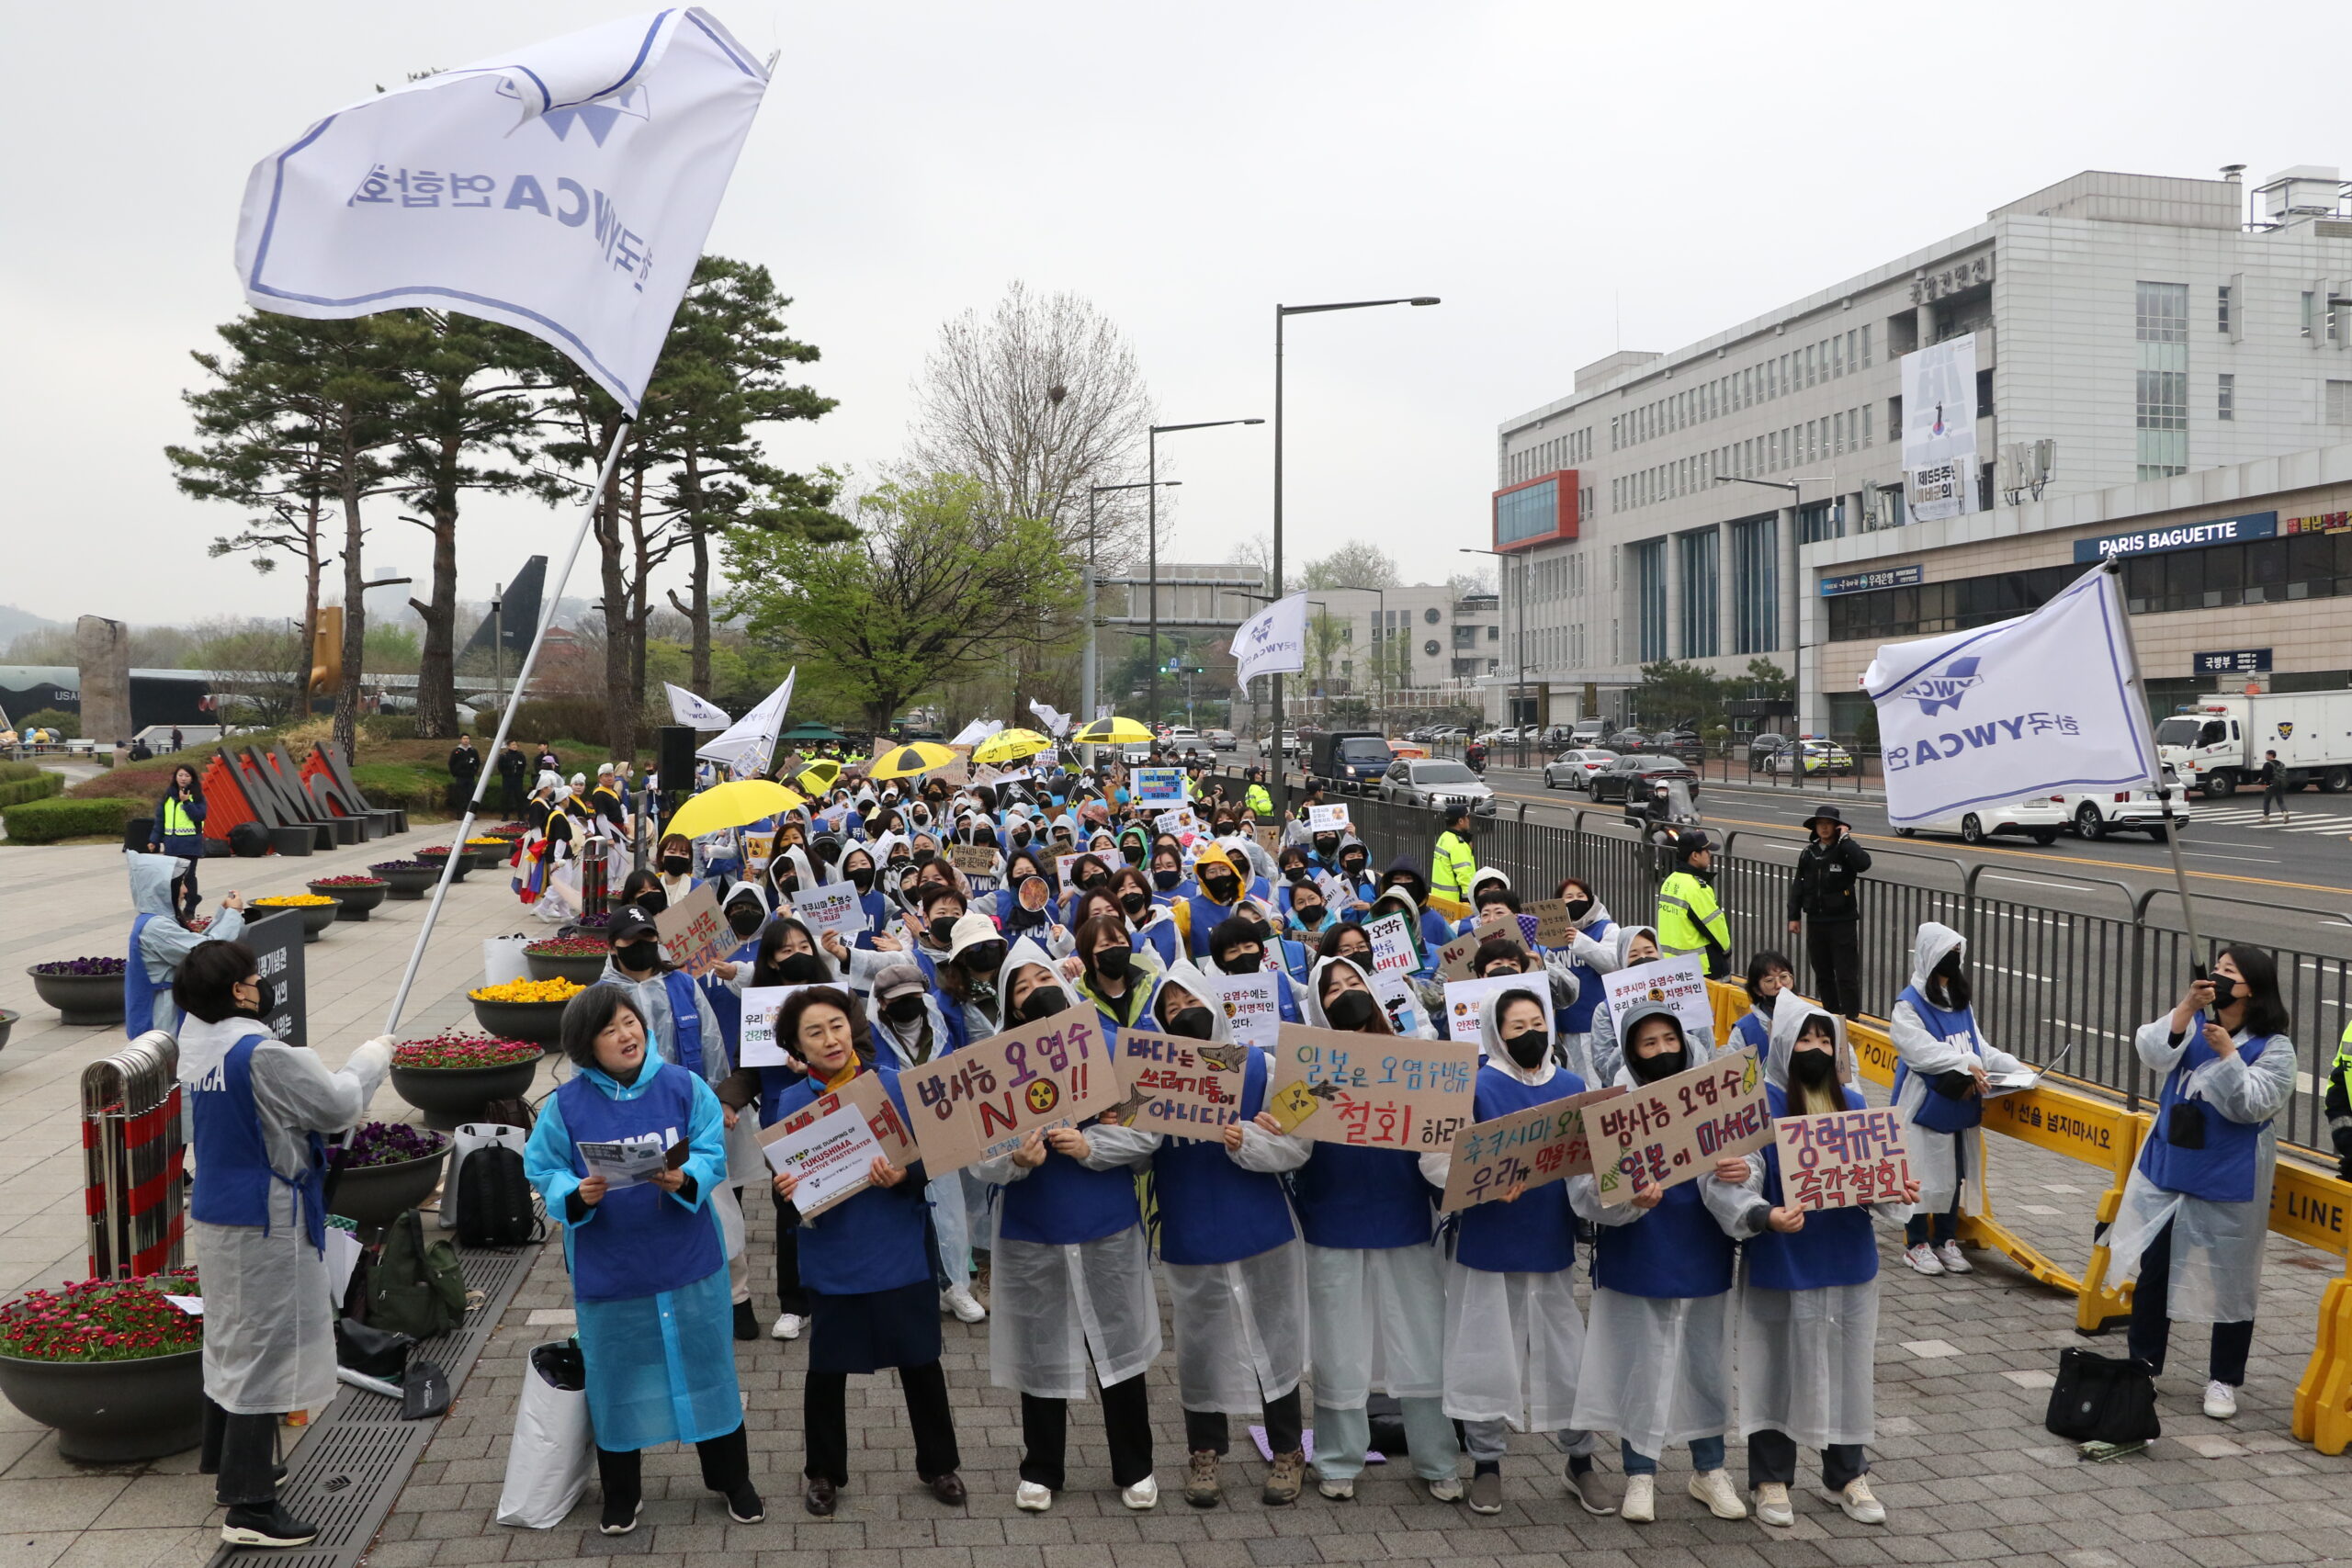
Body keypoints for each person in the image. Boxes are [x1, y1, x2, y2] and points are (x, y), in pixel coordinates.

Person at [176, 941, 393, 1550]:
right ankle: (250, 1507)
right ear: (238, 992)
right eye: (253, 978)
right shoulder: (260, 1053)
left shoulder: (198, 1043)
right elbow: (337, 1105)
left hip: (219, 1210)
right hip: (264, 1218)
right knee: (264, 1349)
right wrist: (370, 1058)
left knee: (230, 1336)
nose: (260, 985)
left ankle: (229, 1465)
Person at [525, 987, 764, 1533]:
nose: (625, 1035)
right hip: (611, 1268)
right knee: (617, 1379)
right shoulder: (565, 1105)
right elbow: (542, 1167)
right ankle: (622, 1493)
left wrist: (688, 1177)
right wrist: (573, 1192)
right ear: (587, 1046)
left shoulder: (684, 1086)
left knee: (709, 1370)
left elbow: (711, 1149)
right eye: (609, 1030)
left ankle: (733, 1481)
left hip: (688, 1261)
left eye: (629, 1022)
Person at [969, 940, 1164, 1514]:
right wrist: (1014, 1160)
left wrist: (1091, 1145)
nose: (1034, 992)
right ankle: (1041, 1468)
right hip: (1033, 1226)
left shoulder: (1110, 1046)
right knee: (1040, 1347)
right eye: (1021, 986)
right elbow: (977, 1153)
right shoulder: (994, 1066)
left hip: (1106, 1222)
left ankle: (1135, 1465)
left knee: (1118, 1347)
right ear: (1009, 1003)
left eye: (1042, 979)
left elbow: (1146, 1134)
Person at [766, 987, 966, 1514]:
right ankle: (823, 1471)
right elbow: (786, 1190)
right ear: (797, 1046)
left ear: (852, 1028)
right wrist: (783, 1191)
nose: (830, 1039)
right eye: (814, 1033)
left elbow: (934, 1157)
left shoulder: (893, 1085)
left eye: (836, 1026)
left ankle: (940, 1464)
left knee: (920, 1360)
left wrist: (904, 1175)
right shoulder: (790, 1103)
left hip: (897, 1243)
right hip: (833, 1251)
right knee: (826, 1368)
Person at [1422, 984, 1617, 1517]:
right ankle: (1486, 1464)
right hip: (1487, 1244)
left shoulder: (1573, 1086)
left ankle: (1580, 1461)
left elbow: (1591, 1164)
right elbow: (1436, 1161)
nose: (1530, 1034)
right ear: (1495, 1033)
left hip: (1549, 1242)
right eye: (1517, 1027)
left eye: (1537, 1025)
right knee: (1485, 1358)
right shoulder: (1475, 1086)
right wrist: (1483, 1184)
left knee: (1566, 1359)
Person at [1131, 963, 1314, 1508]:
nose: (1182, 1013)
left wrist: (1252, 1141)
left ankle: (1288, 1449)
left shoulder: (1264, 1065)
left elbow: (1300, 1142)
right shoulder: (1151, 1078)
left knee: (1275, 1338)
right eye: (1170, 1009)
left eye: (1191, 1002)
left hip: (1261, 1226)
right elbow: (1134, 1154)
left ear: (1213, 1004)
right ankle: (1204, 1452)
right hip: (1191, 1228)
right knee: (1200, 1346)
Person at [1568, 1001, 1753, 1525]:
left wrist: (1742, 1171)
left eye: (1669, 1040)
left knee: (1705, 1363)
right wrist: (1625, 1201)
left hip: (1701, 1244)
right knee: (1639, 1364)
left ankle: (1710, 1468)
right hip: (1638, 1249)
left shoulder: (1712, 1098)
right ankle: (1639, 1473)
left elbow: (1748, 1156)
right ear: (1630, 1050)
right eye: (1648, 1043)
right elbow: (1584, 1191)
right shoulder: (1612, 1110)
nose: (1662, 1051)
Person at [1290, 955, 1462, 1502]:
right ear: (1318, 1005)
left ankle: (1437, 1458)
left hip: (1404, 1217)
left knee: (1422, 1340)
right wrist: (1269, 1127)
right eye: (1332, 989)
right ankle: (1338, 1458)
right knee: (1338, 1345)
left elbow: (1442, 1141)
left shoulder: (1415, 1059)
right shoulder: (1307, 1068)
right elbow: (1287, 1136)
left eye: (1353, 983)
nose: (1345, 994)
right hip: (1332, 1219)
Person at [1727, 1001, 1906, 1527]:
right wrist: (1761, 1211)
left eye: (1825, 1041)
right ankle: (1770, 1478)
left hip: (1846, 1256)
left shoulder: (1853, 1102)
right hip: (1784, 1256)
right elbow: (1743, 1179)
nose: (1816, 1050)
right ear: (1784, 1045)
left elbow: (1879, 1180)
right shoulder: (1757, 1106)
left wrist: (1896, 1188)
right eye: (1804, 1040)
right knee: (1775, 1368)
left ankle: (1847, 1473)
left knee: (1847, 1369)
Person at [2106, 948, 2298, 1421]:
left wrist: (2229, 1055)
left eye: (2230, 971)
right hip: (2172, 1169)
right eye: (2217, 968)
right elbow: (2153, 1051)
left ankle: (2223, 1379)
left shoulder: (2274, 1048)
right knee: (2155, 1272)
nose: (2218, 976)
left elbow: (2253, 1105)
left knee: (2230, 1279)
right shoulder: (2193, 1023)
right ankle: (2143, 1365)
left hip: (2228, 1176)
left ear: (2253, 988)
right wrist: (2186, 1008)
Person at [1888, 923, 2022, 1277]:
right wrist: (1964, 1062)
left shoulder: (1959, 1000)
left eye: (1957, 952)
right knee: (1921, 1170)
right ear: (1930, 956)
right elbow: (1920, 1051)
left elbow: (1978, 1046)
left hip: (1960, 1100)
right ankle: (1917, 1243)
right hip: (1924, 1099)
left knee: (1954, 1171)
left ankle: (1945, 1239)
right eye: (1948, 952)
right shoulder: (1909, 1004)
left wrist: (2014, 1068)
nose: (1954, 959)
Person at [862, 964, 987, 1324]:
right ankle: (911, 1286)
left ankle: (953, 1285)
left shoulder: (944, 1023)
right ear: (882, 1003)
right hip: (894, 1136)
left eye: (914, 996)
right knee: (904, 1212)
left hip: (942, 1130)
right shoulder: (869, 1036)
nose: (908, 1005)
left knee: (948, 1211)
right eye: (898, 1000)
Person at [127, 852, 247, 1037]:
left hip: (167, 1013)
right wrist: (233, 913)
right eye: (180, 883)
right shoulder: (156, 926)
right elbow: (207, 954)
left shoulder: (155, 921)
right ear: (162, 888)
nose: (185, 890)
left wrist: (224, 913)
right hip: (164, 1020)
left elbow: (197, 945)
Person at [1785, 805, 1871, 1017]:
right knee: (1823, 974)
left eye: (1829, 824)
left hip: (1843, 921)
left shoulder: (1844, 850)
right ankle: (1831, 1016)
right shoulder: (1809, 853)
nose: (1824, 828)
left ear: (1837, 827)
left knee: (1846, 975)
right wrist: (1794, 916)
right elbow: (1798, 885)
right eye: (1820, 824)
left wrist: (1846, 840)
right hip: (1816, 922)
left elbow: (1863, 863)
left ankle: (1850, 1019)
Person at [1656, 830, 1729, 979]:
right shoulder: (1696, 888)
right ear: (1695, 855)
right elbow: (1715, 927)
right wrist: (1727, 951)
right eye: (1706, 851)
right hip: (1701, 967)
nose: (1710, 854)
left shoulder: (1670, 881)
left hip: (1672, 965)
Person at [149, 762, 209, 921]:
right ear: (175, 777)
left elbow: (200, 816)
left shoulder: (197, 796)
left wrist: (187, 802)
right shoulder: (168, 797)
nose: (183, 778)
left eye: (187, 776)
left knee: (188, 876)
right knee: (173, 878)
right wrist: (154, 840)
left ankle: (190, 908)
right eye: (180, 775)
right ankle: (184, 903)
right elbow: (160, 820)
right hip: (171, 844)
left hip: (190, 843)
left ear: (192, 778)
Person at [1732, 951, 1797, 1056]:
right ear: (1757, 990)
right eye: (1770, 980)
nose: (1779, 985)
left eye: (1784, 977)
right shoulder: (1743, 1031)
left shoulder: (1811, 1018)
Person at [1430, 803, 1478, 906]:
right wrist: (1469, 901)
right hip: (1454, 902)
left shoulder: (1444, 837)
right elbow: (1464, 875)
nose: (1469, 820)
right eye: (1467, 817)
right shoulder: (1458, 844)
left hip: (1439, 898)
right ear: (1460, 821)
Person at [447, 733, 481, 814]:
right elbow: (451, 763)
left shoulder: (473, 751)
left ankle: (471, 813)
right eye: (464, 738)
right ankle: (460, 813)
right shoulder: (456, 751)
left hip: (470, 777)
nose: (466, 740)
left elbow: (477, 762)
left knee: (471, 795)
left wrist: (474, 771)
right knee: (460, 795)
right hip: (460, 777)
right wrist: (455, 773)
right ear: (461, 740)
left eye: (467, 738)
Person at [498, 740, 529, 817]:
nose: (514, 746)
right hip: (507, 779)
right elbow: (500, 767)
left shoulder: (520, 756)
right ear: (508, 746)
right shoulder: (504, 756)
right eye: (513, 745)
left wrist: (520, 774)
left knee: (519, 797)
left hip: (518, 779)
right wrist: (506, 774)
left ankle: (521, 816)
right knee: (506, 797)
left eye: (515, 744)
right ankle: (505, 815)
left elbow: (523, 765)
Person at [2258, 750, 2290, 823]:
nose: (2265, 756)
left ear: (2270, 755)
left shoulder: (2267, 764)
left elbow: (2265, 775)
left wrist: (2261, 781)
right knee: (2280, 801)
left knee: (2267, 800)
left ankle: (2266, 817)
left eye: (2266, 755)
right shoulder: (2280, 763)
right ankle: (2285, 812)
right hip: (2281, 784)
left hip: (2271, 784)